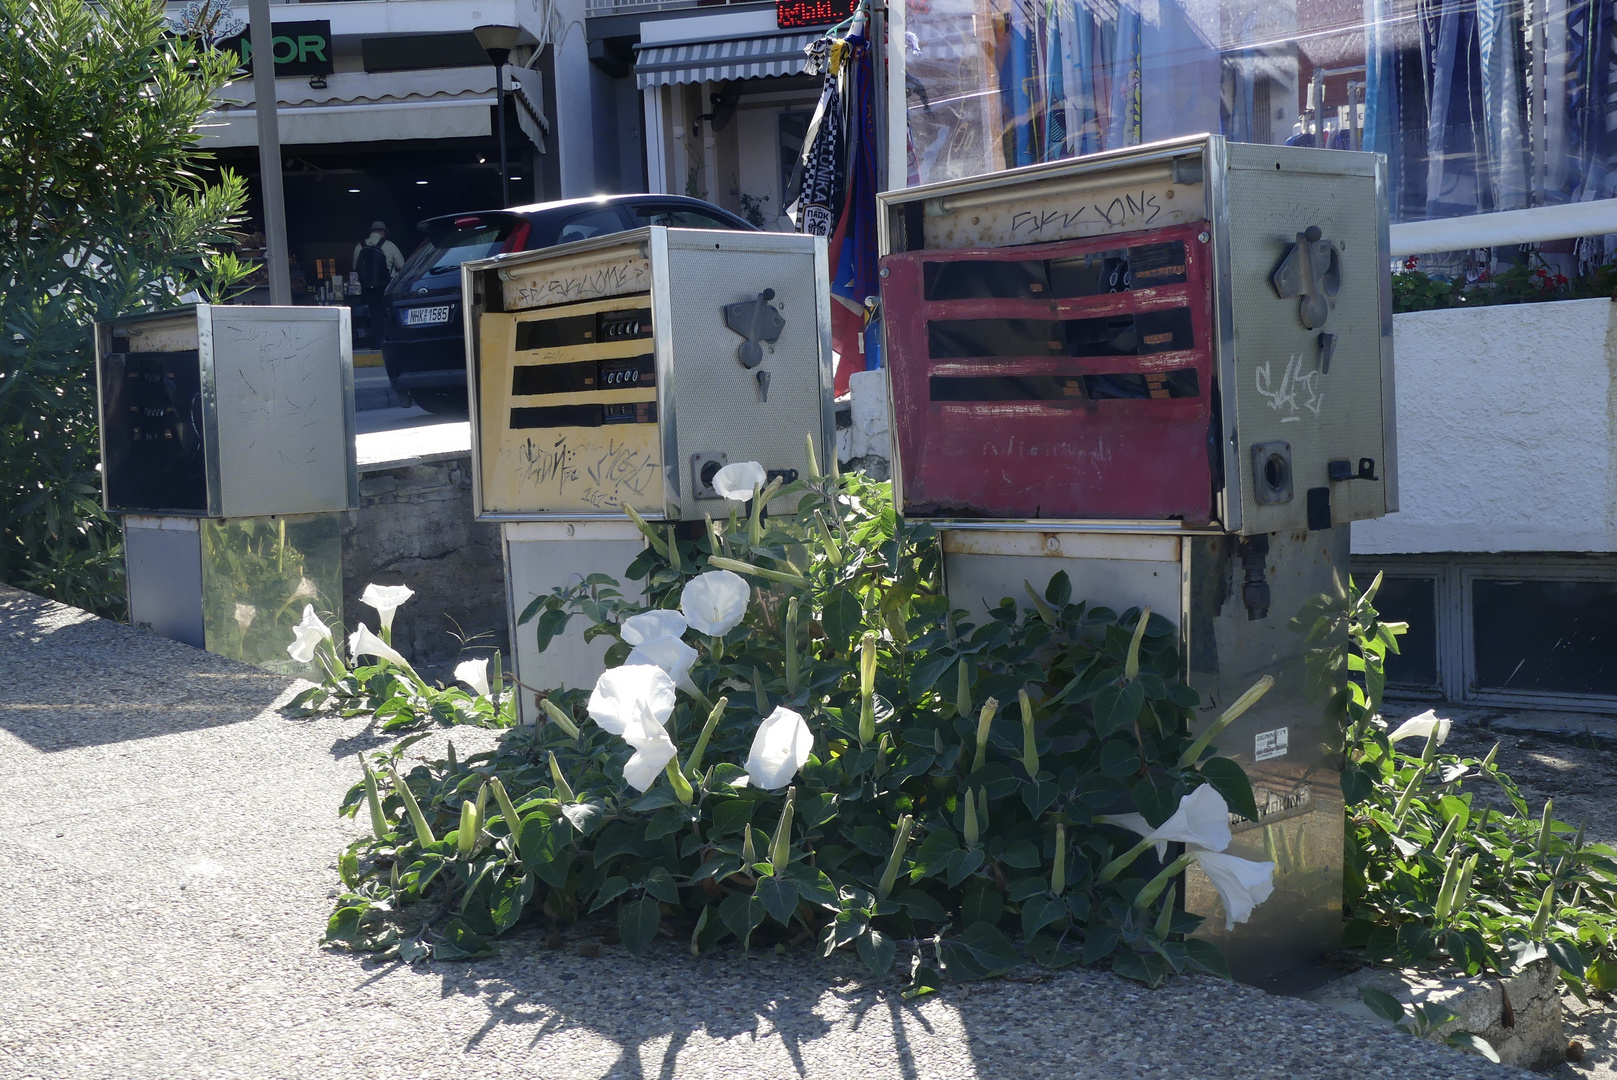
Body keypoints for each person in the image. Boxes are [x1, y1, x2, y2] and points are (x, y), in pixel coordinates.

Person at [352, 221, 404, 348]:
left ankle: (377, 343)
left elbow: (354, 267)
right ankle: (390, 341)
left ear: (371, 231)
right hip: (386, 286)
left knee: (375, 313)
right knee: (390, 313)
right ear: (383, 232)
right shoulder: (390, 246)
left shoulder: (360, 246)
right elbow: (402, 267)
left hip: (368, 288)